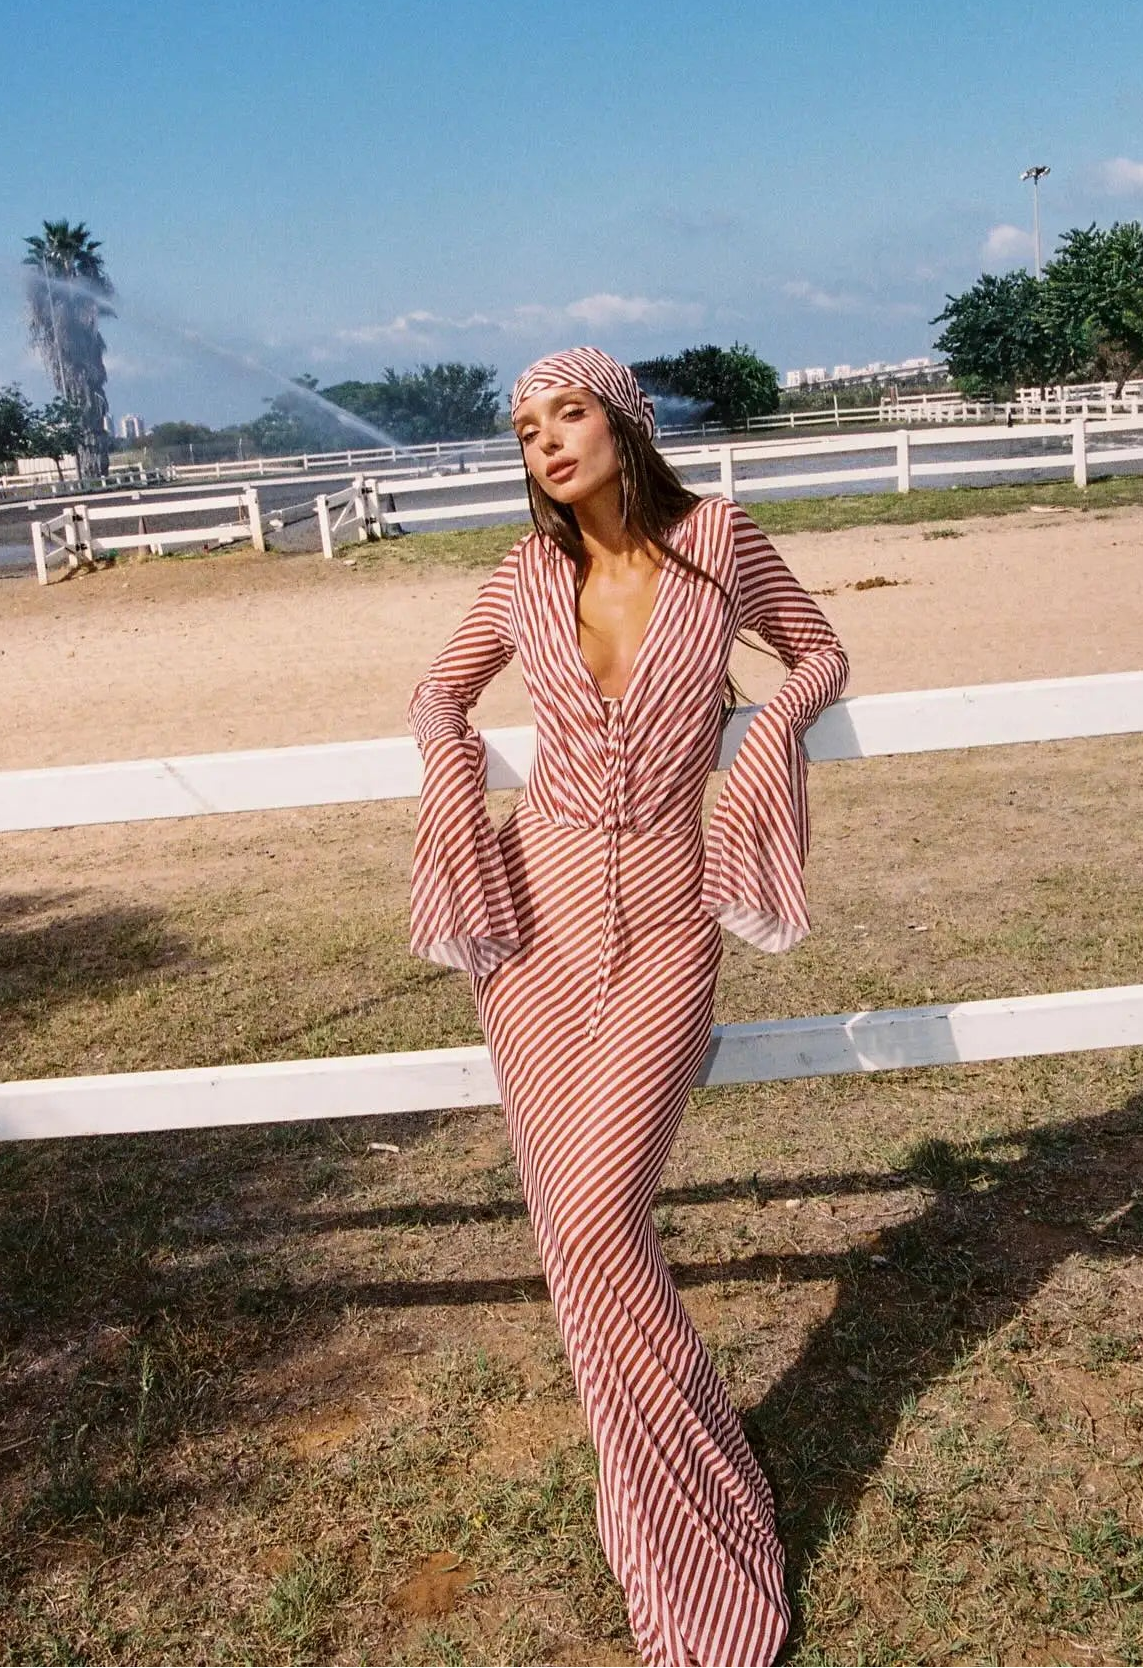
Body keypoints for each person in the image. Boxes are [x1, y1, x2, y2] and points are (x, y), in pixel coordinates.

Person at [406, 346, 848, 1667]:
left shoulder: (719, 539)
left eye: (569, 413)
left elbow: (819, 652)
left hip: (664, 928)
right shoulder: (523, 577)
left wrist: (764, 731)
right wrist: (453, 769)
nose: (546, 441)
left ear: (627, 422)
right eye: (527, 427)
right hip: (532, 943)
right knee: (573, 1235)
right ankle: (662, 1526)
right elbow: (436, 691)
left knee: (600, 1218)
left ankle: (707, 1521)